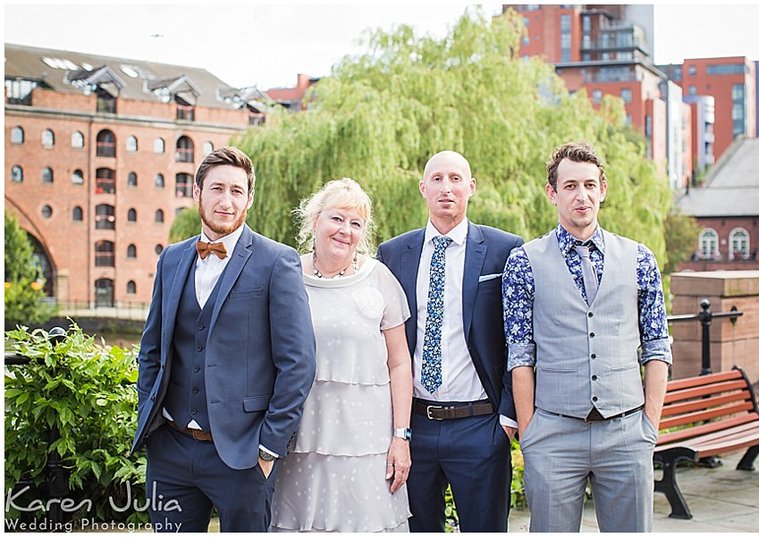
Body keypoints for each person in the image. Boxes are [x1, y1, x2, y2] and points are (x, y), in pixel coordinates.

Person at [130, 147, 317, 532]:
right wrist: (150, 424)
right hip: (171, 449)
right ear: (197, 193)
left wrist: (268, 448)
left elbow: (298, 363)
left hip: (244, 455)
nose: (226, 201)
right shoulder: (172, 259)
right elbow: (152, 350)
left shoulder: (276, 262)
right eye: (217, 189)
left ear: (249, 198)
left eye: (236, 191)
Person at [503, 141, 672, 532]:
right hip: (553, 434)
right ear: (552, 193)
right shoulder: (524, 261)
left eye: (590, 185)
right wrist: (530, 434)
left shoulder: (639, 258)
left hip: (627, 431)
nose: (582, 196)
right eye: (570, 186)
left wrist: (649, 425)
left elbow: (658, 346)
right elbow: (520, 354)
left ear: (603, 190)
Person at [377, 151, 523, 532]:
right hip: (415, 427)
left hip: (480, 426)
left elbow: (520, 338)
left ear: (471, 187)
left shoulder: (504, 251)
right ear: (423, 188)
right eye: (437, 179)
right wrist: (395, 430)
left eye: (456, 179)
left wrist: (506, 421)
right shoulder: (393, 254)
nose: (447, 188)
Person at [270, 178, 414, 532]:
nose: (345, 231)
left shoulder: (379, 278)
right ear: (315, 219)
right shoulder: (286, 274)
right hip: (301, 439)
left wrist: (401, 437)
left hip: (369, 442)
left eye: (355, 224)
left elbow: (399, 362)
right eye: (337, 218)